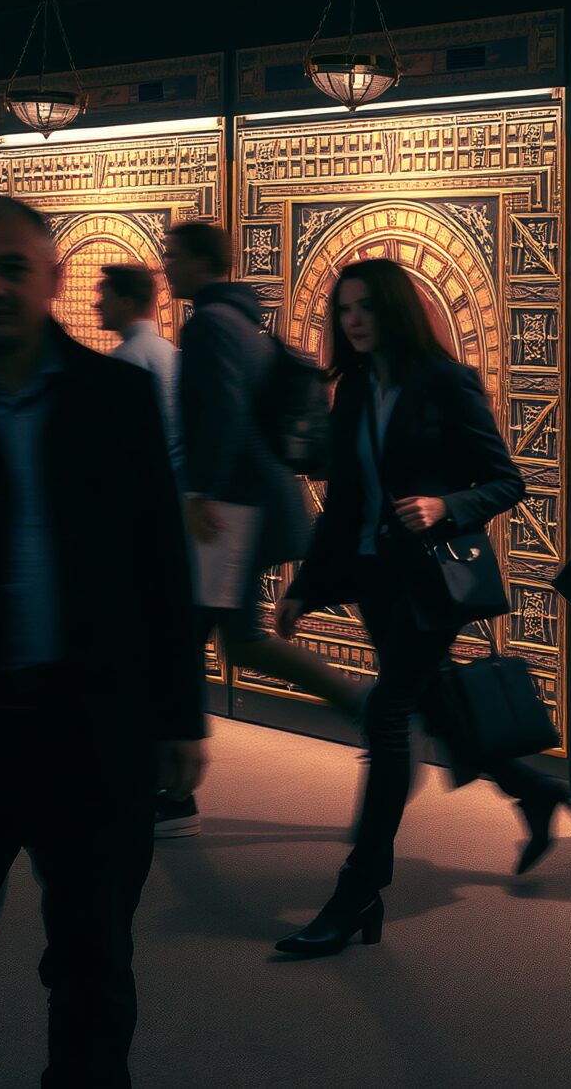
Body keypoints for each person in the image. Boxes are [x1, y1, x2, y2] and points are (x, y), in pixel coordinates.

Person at [0, 195, 207, 1088]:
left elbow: (160, 563)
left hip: (89, 727)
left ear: (52, 277)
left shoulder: (116, 397)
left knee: (94, 968)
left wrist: (180, 714)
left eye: (10, 267)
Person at [273, 257, 571, 954]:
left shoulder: (446, 382)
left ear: (394, 310)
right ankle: (531, 790)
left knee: (388, 715)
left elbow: (506, 480)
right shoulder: (352, 388)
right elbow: (343, 502)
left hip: (432, 580)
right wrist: (305, 586)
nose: (352, 320)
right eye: (343, 309)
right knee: (433, 701)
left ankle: (359, 888)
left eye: (364, 307)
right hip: (374, 578)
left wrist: (447, 505)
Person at [158, 221, 358, 839]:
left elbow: (220, 414)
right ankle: (370, 712)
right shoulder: (246, 321)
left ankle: (175, 793)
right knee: (236, 641)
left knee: (181, 641)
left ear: (200, 262)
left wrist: (201, 492)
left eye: (173, 256)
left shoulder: (209, 325)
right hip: (252, 506)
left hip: (227, 513)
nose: (166, 266)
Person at [95, 262, 180, 473]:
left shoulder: (125, 359)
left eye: (105, 297)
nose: (97, 305)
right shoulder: (166, 349)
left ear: (125, 303)